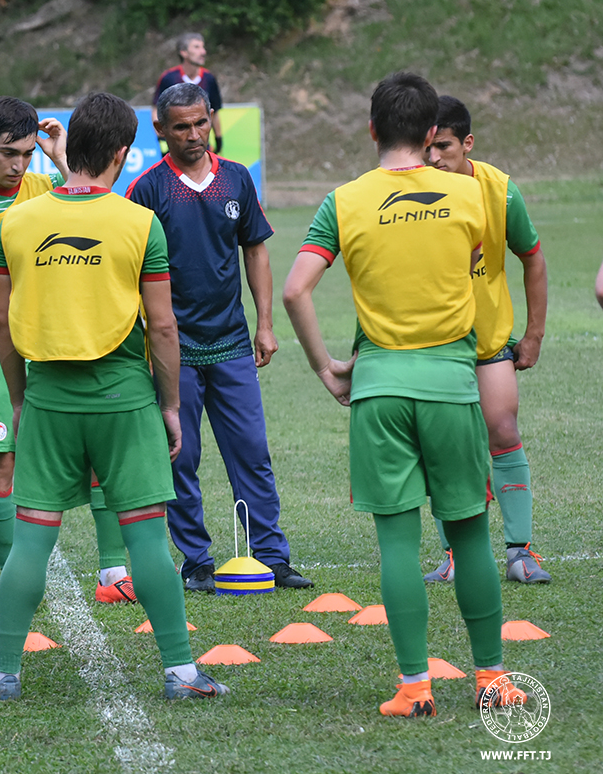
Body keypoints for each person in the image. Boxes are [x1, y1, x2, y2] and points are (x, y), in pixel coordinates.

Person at [282, 72, 527, 717]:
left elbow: (294, 290)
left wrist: (328, 368)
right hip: (451, 385)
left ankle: (415, 687)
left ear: (370, 130)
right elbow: (479, 258)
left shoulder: (344, 201)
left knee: (397, 541)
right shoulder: (468, 195)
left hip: (380, 388)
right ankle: (492, 680)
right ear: (429, 135)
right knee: (470, 533)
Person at [0, 91, 228, 702]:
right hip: (124, 400)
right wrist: (170, 406)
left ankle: (5, 674)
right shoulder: (139, 222)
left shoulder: (17, 221)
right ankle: (180, 673)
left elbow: (4, 327)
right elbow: (163, 326)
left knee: (32, 537)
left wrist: (18, 399)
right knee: (145, 536)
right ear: (122, 152)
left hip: (47, 400)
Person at [127, 82, 311, 593]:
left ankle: (272, 556)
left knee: (251, 450)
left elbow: (255, 249)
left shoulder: (235, 178)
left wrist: (266, 322)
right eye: (181, 127)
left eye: (200, 123)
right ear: (159, 130)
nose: (193, 134)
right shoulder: (147, 190)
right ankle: (196, 561)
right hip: (173, 350)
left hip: (231, 343)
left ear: (212, 120)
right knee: (180, 456)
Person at [0, 96, 138, 604]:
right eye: (7, 154)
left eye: (26, 154)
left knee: (101, 454)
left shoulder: (45, 185)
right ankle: (21, 581)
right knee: (0, 458)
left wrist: (59, 156)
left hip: (58, 339)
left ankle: (112, 574)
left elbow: (97, 204)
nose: (18, 166)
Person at [422, 95, 550, 585]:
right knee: (447, 444)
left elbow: (533, 257)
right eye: (428, 148)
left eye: (446, 147)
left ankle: (521, 551)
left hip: (489, 341)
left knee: (501, 426)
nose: (435, 158)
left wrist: (534, 333)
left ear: (467, 143)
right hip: (433, 342)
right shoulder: (415, 193)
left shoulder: (500, 192)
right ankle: (455, 554)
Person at [153, 32, 223, 155]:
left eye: (203, 47)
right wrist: (162, 140)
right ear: (183, 52)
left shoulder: (209, 78)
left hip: (202, 146)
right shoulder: (168, 78)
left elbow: (215, 112)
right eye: (197, 47)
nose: (203, 52)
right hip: (175, 147)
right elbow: (155, 109)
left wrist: (218, 139)